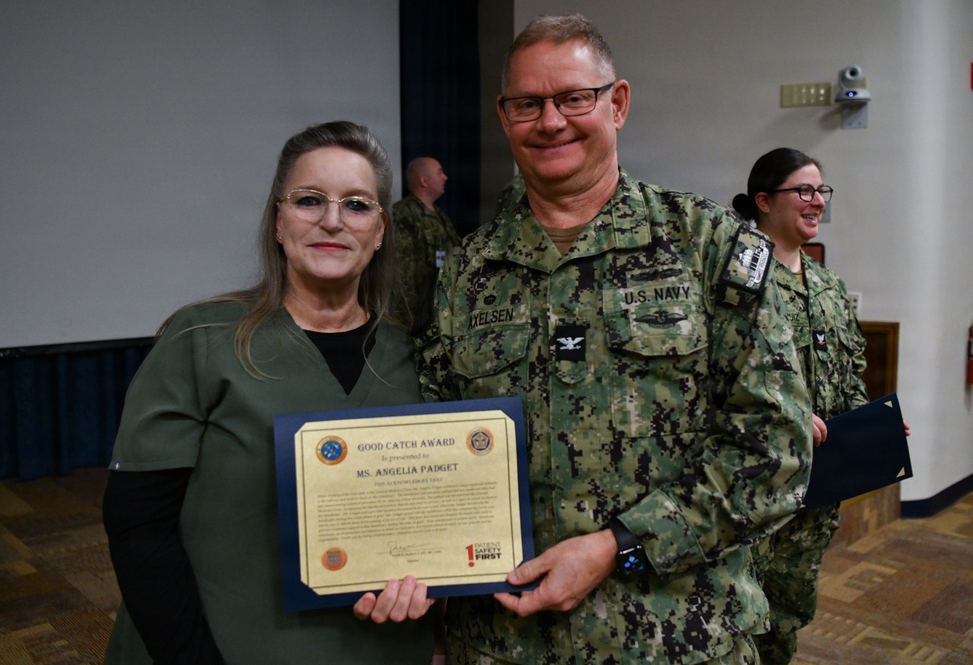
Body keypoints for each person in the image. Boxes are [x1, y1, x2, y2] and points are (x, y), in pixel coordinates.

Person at [415, 14, 813, 665]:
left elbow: (777, 449)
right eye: (528, 104)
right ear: (503, 114)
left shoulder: (707, 244)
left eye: (575, 97)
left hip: (676, 637)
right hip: (504, 643)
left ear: (617, 102)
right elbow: (434, 440)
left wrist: (618, 542)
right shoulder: (466, 271)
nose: (551, 121)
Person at [102, 121, 436, 665]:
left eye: (356, 205)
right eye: (309, 200)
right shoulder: (200, 340)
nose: (332, 220)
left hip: (378, 645)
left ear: (380, 230)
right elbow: (139, 528)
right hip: (210, 648)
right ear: (278, 221)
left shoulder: (416, 356)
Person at [731, 148, 869, 664]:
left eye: (821, 192)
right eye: (804, 191)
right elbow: (719, 377)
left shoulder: (827, 285)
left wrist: (869, 428)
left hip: (815, 492)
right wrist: (786, 415)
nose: (816, 202)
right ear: (764, 201)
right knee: (742, 613)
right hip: (755, 488)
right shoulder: (739, 280)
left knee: (788, 614)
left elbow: (850, 371)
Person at [391, 156, 461, 328]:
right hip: (416, 316)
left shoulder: (440, 216)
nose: (445, 177)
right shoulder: (403, 214)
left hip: (442, 310)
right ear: (424, 181)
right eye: (439, 173)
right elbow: (402, 275)